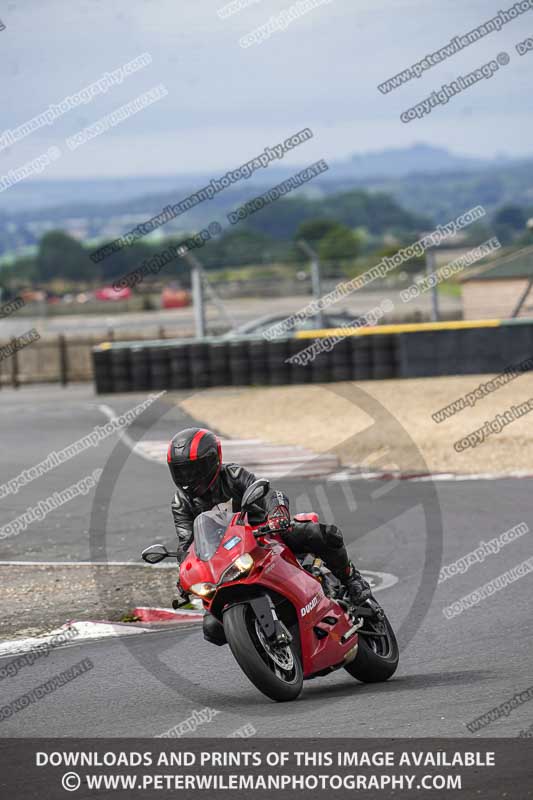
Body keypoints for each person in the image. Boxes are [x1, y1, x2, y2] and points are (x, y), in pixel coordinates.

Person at [168, 427, 374, 645]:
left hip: (265, 533)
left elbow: (267, 492)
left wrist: (278, 514)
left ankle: (351, 579)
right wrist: (185, 574)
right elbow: (187, 543)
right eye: (182, 471)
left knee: (321, 534)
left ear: (213, 460)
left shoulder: (233, 475)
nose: (189, 478)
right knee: (212, 629)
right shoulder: (181, 502)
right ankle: (257, 641)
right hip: (224, 558)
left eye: (195, 469)